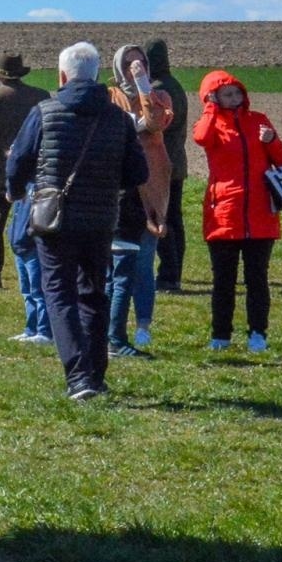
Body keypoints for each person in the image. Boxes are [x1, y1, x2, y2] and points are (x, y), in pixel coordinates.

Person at [6, 42, 147, 401]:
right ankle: (95, 375)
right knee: (94, 294)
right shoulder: (117, 117)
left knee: (58, 293)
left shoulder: (45, 111)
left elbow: (18, 160)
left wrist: (15, 190)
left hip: (54, 219)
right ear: (97, 74)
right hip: (100, 220)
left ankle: (78, 377)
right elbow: (138, 172)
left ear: (62, 75)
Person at [193, 70, 282, 352]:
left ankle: (258, 333)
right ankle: (220, 335)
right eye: (226, 94)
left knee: (257, 279)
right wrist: (211, 107)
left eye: (237, 93)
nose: (234, 98)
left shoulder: (258, 120)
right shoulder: (210, 124)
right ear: (213, 97)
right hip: (224, 214)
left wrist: (271, 139)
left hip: (260, 214)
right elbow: (201, 138)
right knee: (223, 280)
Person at [105, 45, 173, 358]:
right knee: (113, 264)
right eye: (130, 63)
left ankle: (143, 325)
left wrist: (144, 87)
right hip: (118, 188)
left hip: (151, 183)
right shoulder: (108, 96)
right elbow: (120, 127)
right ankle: (109, 328)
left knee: (144, 262)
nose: (137, 66)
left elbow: (153, 122)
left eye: (141, 61)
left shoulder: (160, 96)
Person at [0, 52, 49, 288]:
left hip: (1, 173)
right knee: (38, 224)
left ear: (0, 76)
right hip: (35, 171)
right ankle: (41, 270)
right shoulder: (41, 97)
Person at [145, 38, 189, 292]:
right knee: (174, 219)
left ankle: (169, 275)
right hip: (176, 163)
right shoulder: (175, 85)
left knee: (164, 220)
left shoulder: (160, 89)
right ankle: (174, 272)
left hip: (162, 164)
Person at [6, 183, 52, 345]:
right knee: (26, 291)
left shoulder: (40, 183)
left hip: (32, 244)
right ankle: (31, 328)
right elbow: (10, 196)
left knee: (38, 291)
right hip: (19, 243)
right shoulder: (21, 181)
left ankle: (44, 330)